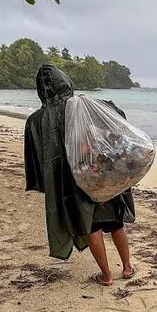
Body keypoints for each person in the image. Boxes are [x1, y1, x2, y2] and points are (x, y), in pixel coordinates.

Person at [24, 64, 136, 285]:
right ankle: (127, 267)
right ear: (66, 82)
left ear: (41, 90)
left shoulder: (37, 120)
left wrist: (46, 185)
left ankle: (105, 276)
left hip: (70, 184)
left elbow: (37, 157)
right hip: (99, 174)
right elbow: (118, 118)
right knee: (115, 222)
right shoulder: (88, 105)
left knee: (91, 227)